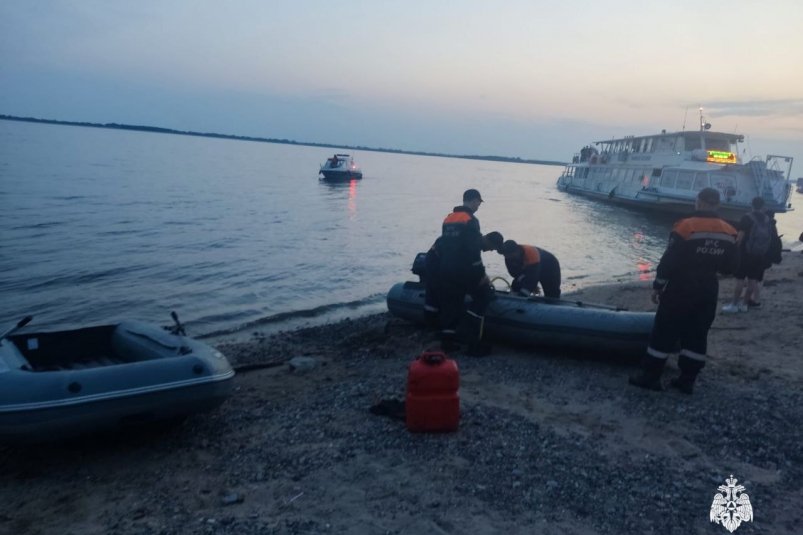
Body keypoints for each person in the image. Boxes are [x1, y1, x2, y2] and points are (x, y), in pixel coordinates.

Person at [629, 187, 737, 394]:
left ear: (699, 202)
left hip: (681, 286)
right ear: (718, 205)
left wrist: (658, 285)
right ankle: (687, 380)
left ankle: (650, 376)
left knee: (664, 331)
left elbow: (669, 261)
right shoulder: (729, 232)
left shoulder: (685, 226)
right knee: (697, 333)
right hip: (708, 287)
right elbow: (730, 267)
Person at [435, 189, 495, 355]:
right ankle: (472, 340)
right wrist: (481, 274)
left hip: (446, 267)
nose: (478, 206)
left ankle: (447, 343)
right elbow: (473, 250)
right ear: (474, 201)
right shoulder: (471, 220)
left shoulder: (448, 219)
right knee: (482, 297)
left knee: (450, 304)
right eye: (478, 203)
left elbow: (444, 245)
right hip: (464, 269)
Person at [722, 197, 777, 312]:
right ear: (763, 206)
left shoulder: (747, 218)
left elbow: (740, 236)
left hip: (745, 253)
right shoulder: (767, 219)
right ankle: (744, 305)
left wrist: (734, 248)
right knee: (753, 280)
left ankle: (734, 304)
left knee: (740, 279)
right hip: (759, 254)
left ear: (751, 205)